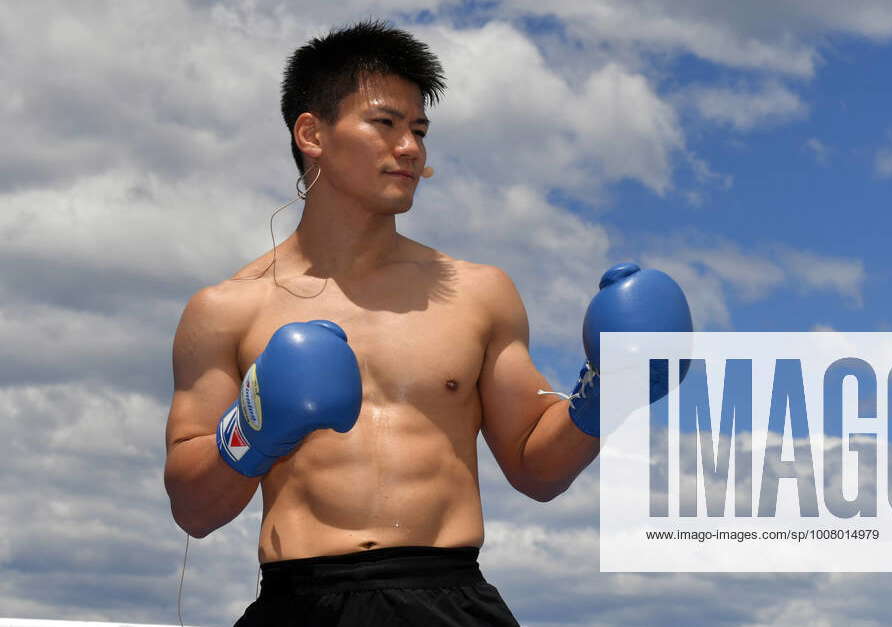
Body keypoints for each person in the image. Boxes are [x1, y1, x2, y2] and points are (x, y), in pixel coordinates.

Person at [163, 19, 689, 626]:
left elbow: (536, 470)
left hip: (450, 599)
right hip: (299, 602)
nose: (410, 148)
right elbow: (193, 510)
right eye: (385, 124)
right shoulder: (227, 309)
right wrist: (251, 431)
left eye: (418, 130)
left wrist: (611, 392)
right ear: (312, 133)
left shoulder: (477, 293)